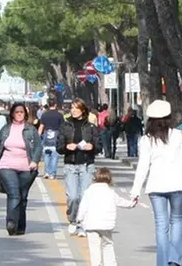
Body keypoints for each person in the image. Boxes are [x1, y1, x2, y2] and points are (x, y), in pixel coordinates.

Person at [129, 100, 182, 266]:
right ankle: (175, 259)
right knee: (177, 221)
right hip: (179, 185)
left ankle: (161, 262)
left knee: (161, 225)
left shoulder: (146, 140)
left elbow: (143, 166)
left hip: (156, 185)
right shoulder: (179, 135)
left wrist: (135, 191)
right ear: (169, 117)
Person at [0, 103, 42, 235]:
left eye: (21, 112)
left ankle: (20, 226)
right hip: (6, 166)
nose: (19, 114)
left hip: (26, 167)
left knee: (23, 197)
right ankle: (11, 222)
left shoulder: (31, 130)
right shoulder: (5, 129)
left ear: (25, 114)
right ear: (12, 114)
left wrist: (35, 161)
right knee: (14, 193)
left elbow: (38, 147)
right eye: (16, 112)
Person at [57, 99, 101, 237]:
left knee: (84, 196)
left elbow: (99, 146)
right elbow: (59, 147)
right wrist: (66, 147)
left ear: (83, 110)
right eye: (72, 108)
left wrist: (92, 147)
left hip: (87, 165)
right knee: (73, 197)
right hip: (71, 165)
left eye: (76, 108)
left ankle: (82, 223)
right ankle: (73, 220)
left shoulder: (91, 127)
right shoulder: (65, 126)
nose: (73, 110)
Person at [77, 167, 135, 266]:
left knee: (94, 248)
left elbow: (83, 207)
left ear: (95, 178)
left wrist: (79, 219)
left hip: (91, 224)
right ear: (109, 179)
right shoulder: (110, 192)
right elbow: (120, 201)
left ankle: (96, 264)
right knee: (107, 245)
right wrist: (131, 204)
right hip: (106, 225)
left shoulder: (89, 191)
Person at [39, 103, 64, 179]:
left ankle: (47, 172)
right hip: (56, 137)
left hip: (46, 136)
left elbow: (41, 126)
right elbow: (62, 127)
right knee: (54, 156)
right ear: (55, 105)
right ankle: (52, 174)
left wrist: (38, 136)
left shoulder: (44, 115)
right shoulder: (59, 115)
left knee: (46, 155)